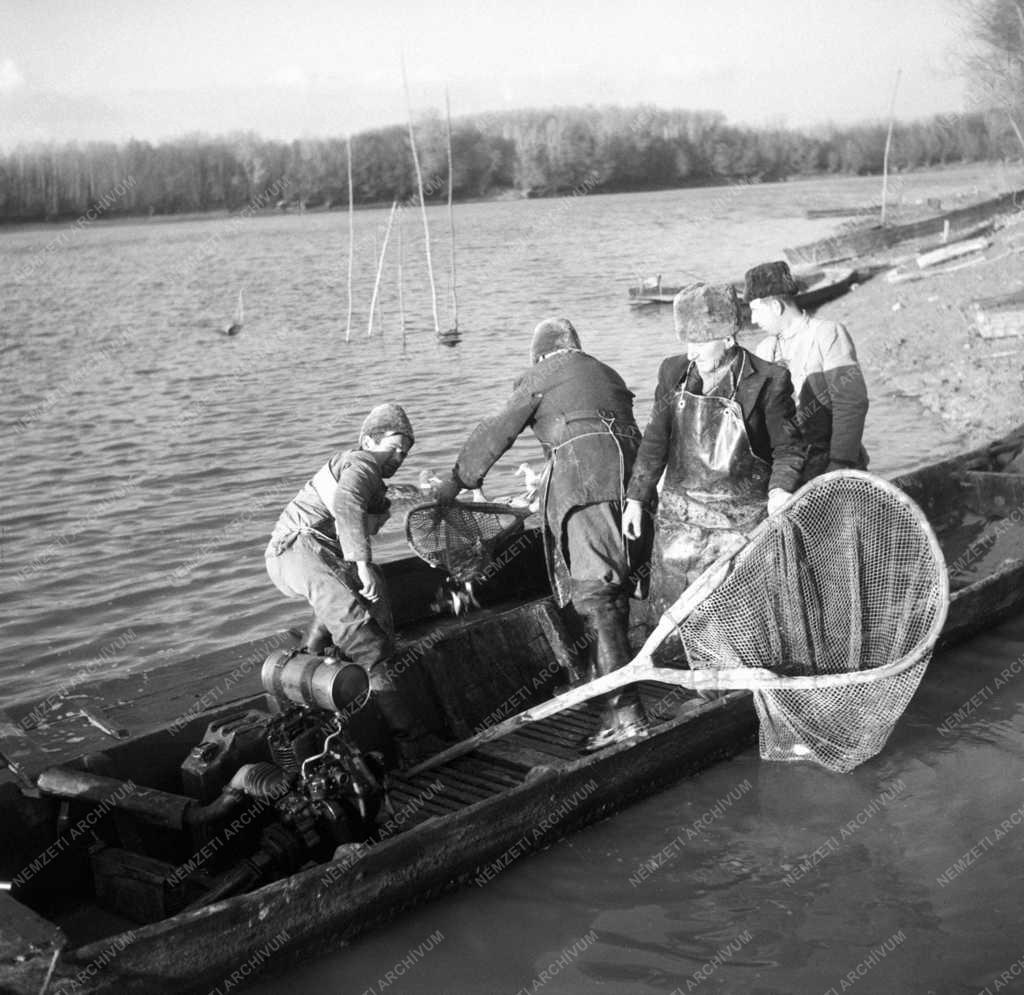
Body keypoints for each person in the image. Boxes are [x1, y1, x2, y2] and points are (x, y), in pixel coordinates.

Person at [435, 318, 650, 750]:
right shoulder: (607, 372)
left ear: (541, 354)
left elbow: (498, 429)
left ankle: (627, 717)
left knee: (596, 600)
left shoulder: (543, 373)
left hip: (586, 491)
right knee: (614, 596)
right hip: (633, 490)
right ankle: (608, 703)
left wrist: (454, 483)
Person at [265, 403, 442, 768]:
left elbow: (390, 498)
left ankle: (305, 672)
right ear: (367, 441)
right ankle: (411, 744)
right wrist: (363, 566)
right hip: (300, 551)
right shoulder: (361, 464)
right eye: (394, 447)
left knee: (352, 610)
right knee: (369, 644)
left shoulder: (371, 477)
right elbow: (347, 505)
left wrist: (430, 493)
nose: (400, 456)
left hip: (308, 556)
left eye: (406, 451)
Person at [623, 283, 806, 622]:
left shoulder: (769, 380)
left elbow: (789, 448)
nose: (691, 352)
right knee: (673, 623)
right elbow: (655, 440)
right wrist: (636, 499)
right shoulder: (672, 373)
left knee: (737, 621)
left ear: (728, 338)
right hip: (678, 523)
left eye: (701, 342)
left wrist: (780, 490)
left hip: (740, 525)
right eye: (687, 342)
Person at [744, 260, 869, 482]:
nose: (753, 320)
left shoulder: (827, 334)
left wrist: (840, 463)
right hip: (789, 470)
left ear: (775, 306)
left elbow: (850, 404)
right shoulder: (765, 350)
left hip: (832, 462)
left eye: (755, 310)